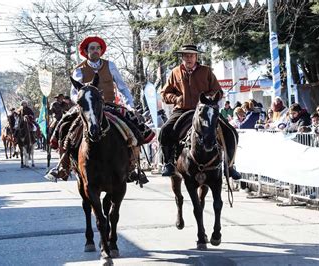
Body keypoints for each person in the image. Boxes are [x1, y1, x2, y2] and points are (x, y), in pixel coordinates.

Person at [46, 36, 149, 183]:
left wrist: (130, 106)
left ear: (101, 51)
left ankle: (133, 166)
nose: (95, 51)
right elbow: (74, 94)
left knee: (134, 126)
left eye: (97, 48)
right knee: (64, 125)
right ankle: (63, 165)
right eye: (92, 49)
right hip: (87, 107)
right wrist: (83, 102)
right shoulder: (79, 70)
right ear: (86, 52)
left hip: (109, 106)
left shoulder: (110, 66)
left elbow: (122, 87)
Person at [159, 44, 239, 179]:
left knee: (231, 132)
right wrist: (175, 98)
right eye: (186, 56)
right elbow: (164, 93)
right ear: (182, 57)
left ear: (196, 57)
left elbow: (217, 90)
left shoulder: (206, 71)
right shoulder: (175, 72)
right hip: (182, 110)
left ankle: (230, 166)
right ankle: (168, 163)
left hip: (205, 109)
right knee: (165, 130)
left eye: (191, 55)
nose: (188, 58)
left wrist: (209, 98)